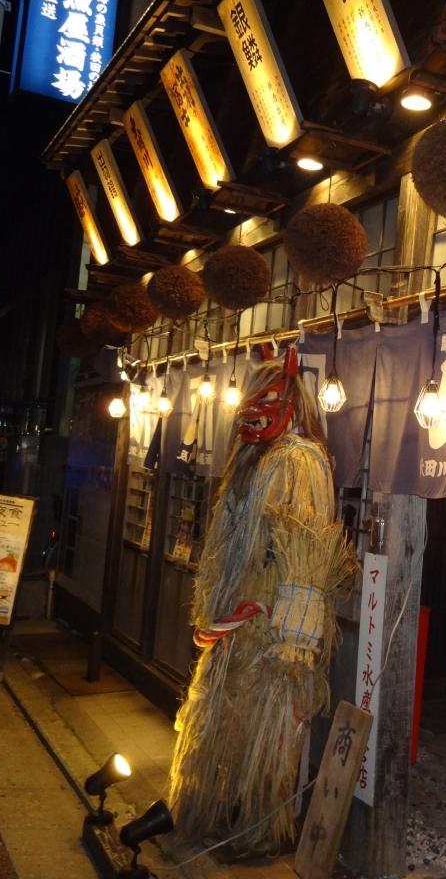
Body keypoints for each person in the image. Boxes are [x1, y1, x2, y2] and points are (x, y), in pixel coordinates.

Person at [168, 347, 353, 852]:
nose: (252, 411)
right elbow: (227, 545)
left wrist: (295, 639)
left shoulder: (299, 462)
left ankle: (259, 830)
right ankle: (213, 810)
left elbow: (306, 549)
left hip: (270, 627)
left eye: (266, 400)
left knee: (267, 737)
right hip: (237, 620)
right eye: (249, 401)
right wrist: (215, 606)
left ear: (292, 403)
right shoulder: (250, 465)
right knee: (221, 723)